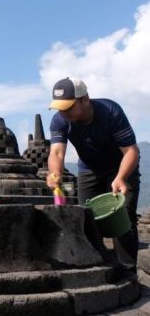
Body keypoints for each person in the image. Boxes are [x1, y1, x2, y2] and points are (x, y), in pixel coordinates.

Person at [47, 77, 140, 271]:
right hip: (89, 169)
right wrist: (55, 173)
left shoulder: (110, 112)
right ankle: (98, 268)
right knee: (86, 218)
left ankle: (127, 271)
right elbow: (56, 152)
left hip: (121, 166)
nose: (64, 112)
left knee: (123, 219)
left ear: (85, 99)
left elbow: (131, 151)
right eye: (60, 108)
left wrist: (121, 178)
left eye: (69, 107)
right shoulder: (60, 120)